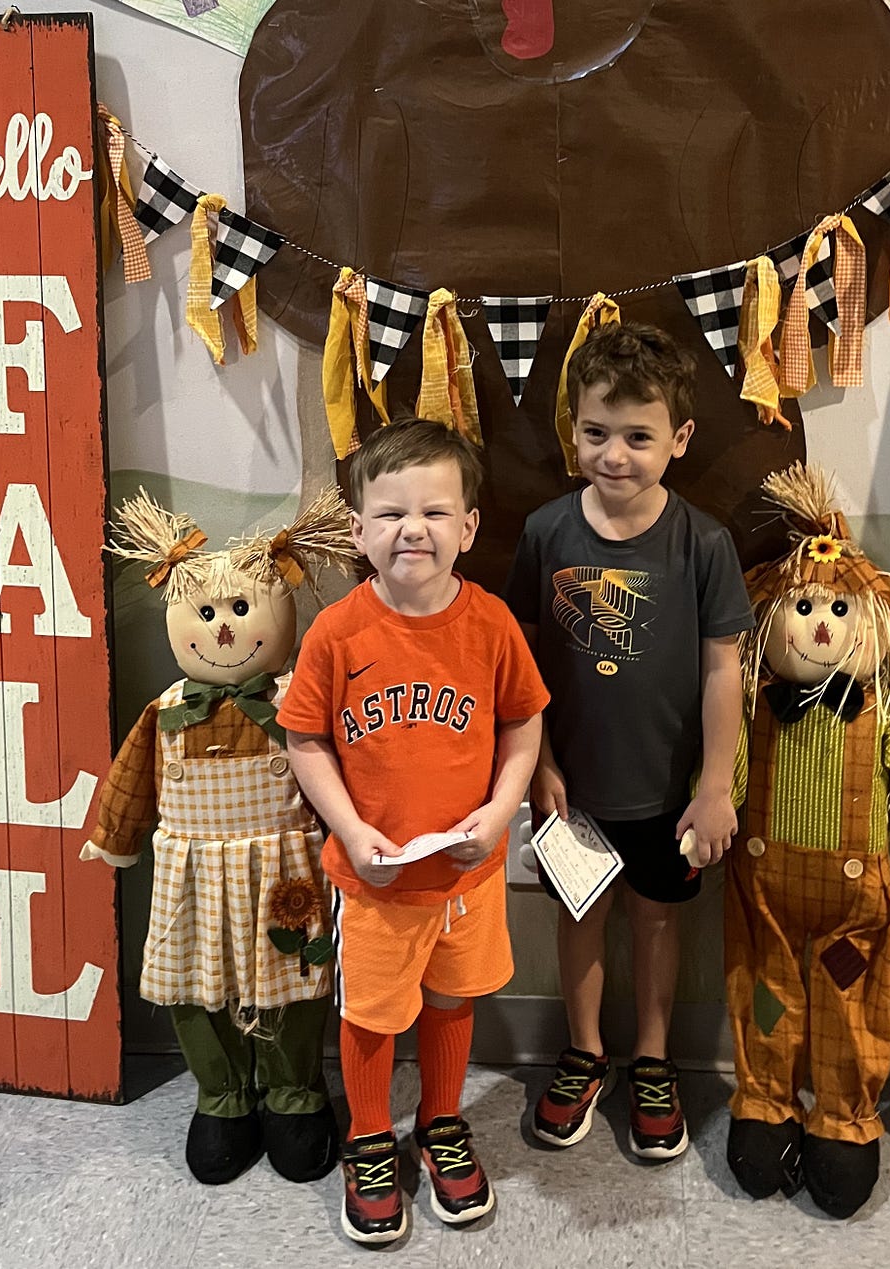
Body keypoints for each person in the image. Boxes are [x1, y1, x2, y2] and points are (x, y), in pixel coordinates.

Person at [279, 418, 548, 1245]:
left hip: (468, 873)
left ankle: (439, 1122)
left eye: (435, 512)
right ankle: (367, 1136)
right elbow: (305, 737)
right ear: (357, 529)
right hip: (375, 876)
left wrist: (501, 813)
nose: (413, 529)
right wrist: (353, 830)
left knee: (449, 998)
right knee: (372, 1011)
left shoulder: (493, 624)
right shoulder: (337, 631)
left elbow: (523, 728)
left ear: (468, 527)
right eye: (391, 513)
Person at [505, 321, 753, 1161]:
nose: (615, 454)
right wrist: (537, 762)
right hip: (567, 787)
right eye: (597, 432)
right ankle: (584, 1050)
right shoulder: (544, 534)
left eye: (639, 436)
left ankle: (653, 1057)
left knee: (655, 922)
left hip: (668, 789)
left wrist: (714, 784)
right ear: (570, 430)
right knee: (580, 919)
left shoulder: (703, 543)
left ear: (678, 439)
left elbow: (725, 671)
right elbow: (523, 664)